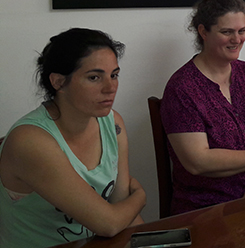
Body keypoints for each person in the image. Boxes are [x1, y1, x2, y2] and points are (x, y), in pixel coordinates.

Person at [0, 28, 145, 248]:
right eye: (94, 77)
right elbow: (109, 224)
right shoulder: (30, 141)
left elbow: (122, 210)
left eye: (114, 75)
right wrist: (141, 197)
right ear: (58, 82)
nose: (111, 87)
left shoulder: (113, 123)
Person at [161, 0, 245, 215]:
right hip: (209, 206)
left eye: (241, 31)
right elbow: (198, 161)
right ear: (203, 32)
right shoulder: (181, 89)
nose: (237, 39)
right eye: (226, 32)